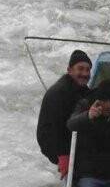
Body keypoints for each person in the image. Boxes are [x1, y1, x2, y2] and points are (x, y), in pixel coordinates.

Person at [36, 49, 92, 177]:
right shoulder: (60, 93)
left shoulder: (80, 87)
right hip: (52, 141)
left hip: (68, 132)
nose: (85, 73)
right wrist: (63, 157)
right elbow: (57, 127)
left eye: (88, 70)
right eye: (80, 69)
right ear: (69, 70)